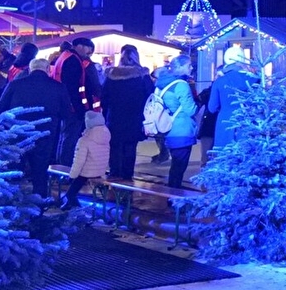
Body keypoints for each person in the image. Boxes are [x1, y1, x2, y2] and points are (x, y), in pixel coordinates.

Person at [0, 56, 70, 199]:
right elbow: (66, 113)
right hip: (45, 133)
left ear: (30, 69)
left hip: (19, 132)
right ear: (48, 69)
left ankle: (12, 201)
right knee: (40, 171)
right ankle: (39, 203)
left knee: (15, 169)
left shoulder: (15, 84)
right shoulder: (58, 87)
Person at [100, 44, 153, 180]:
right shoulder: (142, 76)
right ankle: (127, 175)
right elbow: (150, 96)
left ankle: (114, 173)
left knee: (114, 146)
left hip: (114, 116)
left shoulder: (112, 75)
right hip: (135, 117)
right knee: (130, 146)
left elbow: (104, 97)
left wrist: (106, 113)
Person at [55, 37, 103, 165]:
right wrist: (79, 107)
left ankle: (61, 163)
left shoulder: (65, 57)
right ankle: (66, 165)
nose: (88, 54)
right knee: (70, 137)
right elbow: (73, 87)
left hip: (64, 104)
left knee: (65, 136)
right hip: (72, 106)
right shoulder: (73, 61)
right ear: (80, 46)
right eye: (88, 50)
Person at [155, 55, 200, 188]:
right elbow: (190, 110)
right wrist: (199, 103)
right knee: (179, 167)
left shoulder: (161, 84)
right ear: (180, 67)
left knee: (175, 165)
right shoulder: (181, 85)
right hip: (182, 129)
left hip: (167, 128)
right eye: (188, 65)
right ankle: (174, 194)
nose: (191, 68)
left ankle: (171, 192)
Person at [208, 43, 259, 156]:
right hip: (247, 120)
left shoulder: (219, 81)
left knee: (224, 156)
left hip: (225, 122)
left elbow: (212, 108)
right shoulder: (254, 79)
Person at [61, 110, 110, 210]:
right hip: (100, 171)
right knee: (82, 175)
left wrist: (72, 176)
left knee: (72, 189)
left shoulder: (84, 140)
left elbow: (78, 161)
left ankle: (74, 206)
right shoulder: (105, 136)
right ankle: (71, 204)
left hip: (87, 173)